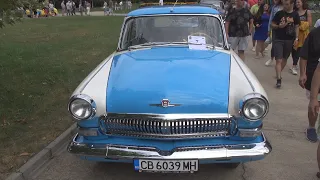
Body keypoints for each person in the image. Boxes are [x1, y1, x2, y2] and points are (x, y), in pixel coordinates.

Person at [271, 0, 300, 88]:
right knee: (278, 59)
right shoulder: (279, 13)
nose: (285, 6)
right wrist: (278, 26)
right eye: (284, 4)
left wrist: (296, 38)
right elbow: (272, 24)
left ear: (292, 4)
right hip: (278, 39)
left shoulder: (295, 14)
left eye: (287, 4)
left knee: (284, 58)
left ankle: (279, 72)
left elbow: (297, 26)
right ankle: (279, 80)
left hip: (289, 40)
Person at [299, 27, 320, 143]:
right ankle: (311, 127)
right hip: (314, 76)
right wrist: (302, 73)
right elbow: (304, 55)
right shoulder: (315, 34)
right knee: (315, 103)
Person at [290, 0, 312, 75]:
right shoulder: (294, 12)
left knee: (301, 51)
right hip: (295, 33)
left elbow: (310, 23)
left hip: (304, 35)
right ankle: (294, 65)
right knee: (294, 50)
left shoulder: (307, 12)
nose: (297, 4)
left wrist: (301, 25)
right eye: (296, 2)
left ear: (302, 3)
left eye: (299, 2)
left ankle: (295, 66)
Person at [265, 0, 283, 66]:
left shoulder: (286, 6)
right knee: (274, 44)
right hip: (275, 28)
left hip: (285, 28)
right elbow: (271, 19)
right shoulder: (274, 7)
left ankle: (281, 60)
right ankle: (271, 58)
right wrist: (269, 30)